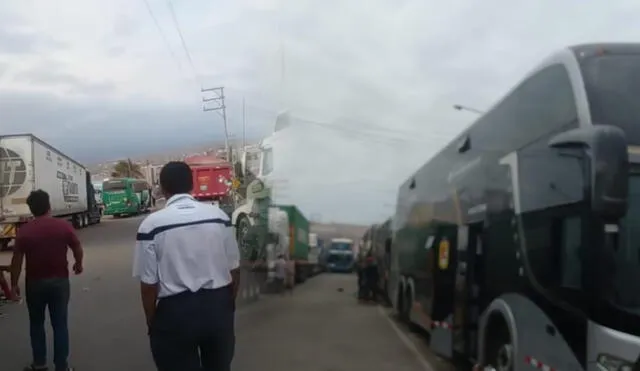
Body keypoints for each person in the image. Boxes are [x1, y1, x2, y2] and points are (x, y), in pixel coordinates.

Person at [133, 161, 240, 371]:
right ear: (192, 184)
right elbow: (234, 270)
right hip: (217, 307)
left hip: (175, 313)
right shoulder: (219, 217)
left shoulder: (151, 225)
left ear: (163, 188)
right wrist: (227, 306)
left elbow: (148, 284)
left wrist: (152, 322)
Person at [10, 189, 83, 371]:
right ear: (49, 206)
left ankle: (40, 364)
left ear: (31, 209)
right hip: (59, 282)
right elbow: (76, 246)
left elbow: (17, 260)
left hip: (34, 283)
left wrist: (13, 285)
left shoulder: (25, 231)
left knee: (36, 324)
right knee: (60, 325)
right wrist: (78, 264)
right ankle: (61, 366)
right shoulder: (63, 226)